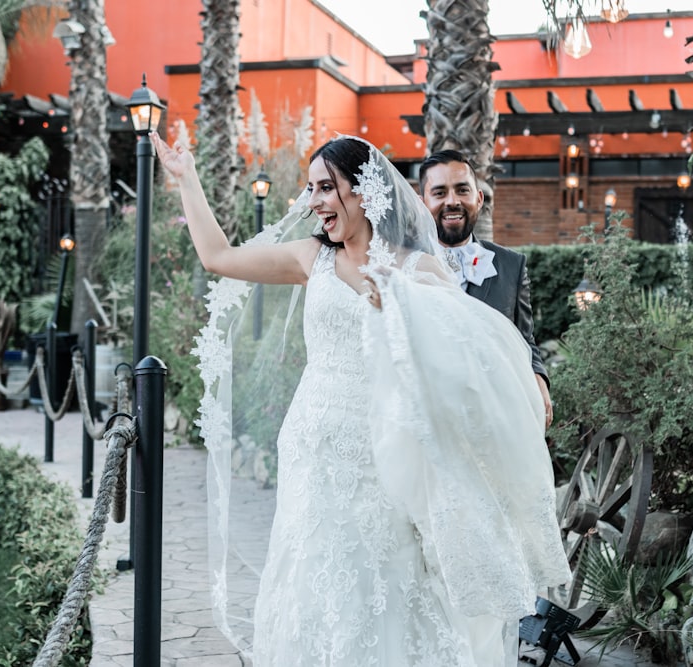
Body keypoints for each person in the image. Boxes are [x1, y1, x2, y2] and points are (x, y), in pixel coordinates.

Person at [152, 131, 570, 667]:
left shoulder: (416, 268)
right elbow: (218, 256)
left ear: (365, 190)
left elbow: (469, 348)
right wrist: (186, 178)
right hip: (312, 451)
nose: (315, 202)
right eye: (311, 190)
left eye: (327, 187)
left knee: (382, 582)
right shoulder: (309, 259)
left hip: (380, 460)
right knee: (310, 577)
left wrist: (399, 306)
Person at [419, 149, 553, 426]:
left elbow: (524, 338)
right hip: (431, 418)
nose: (452, 201)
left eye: (462, 190)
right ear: (423, 203)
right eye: (440, 193)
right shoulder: (404, 265)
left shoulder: (511, 265)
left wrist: (538, 376)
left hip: (496, 418)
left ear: (479, 199)